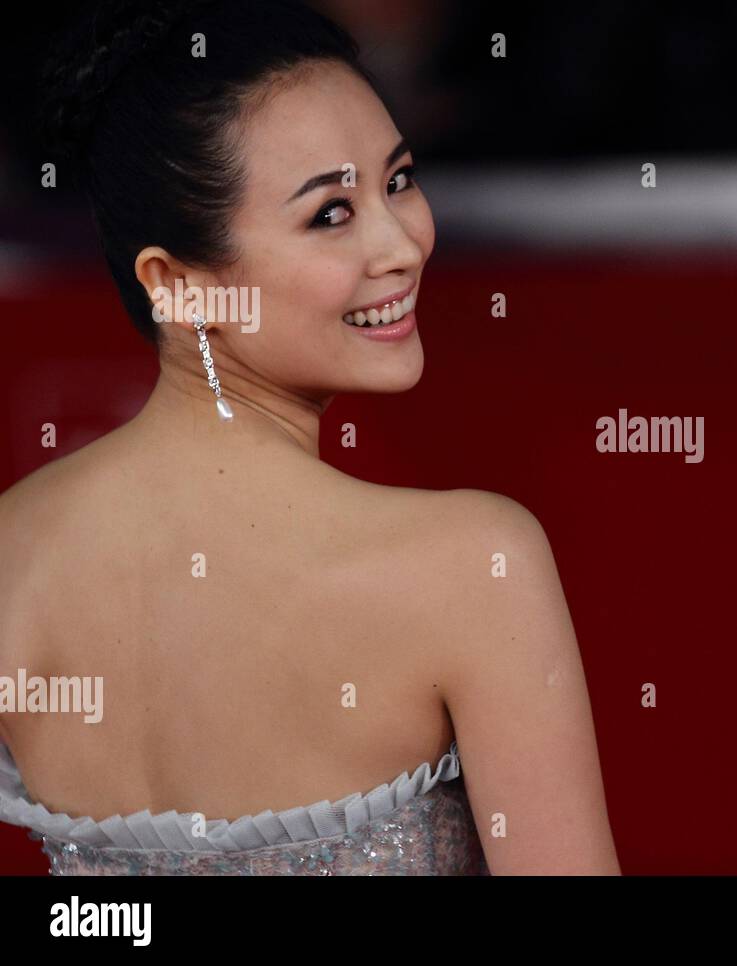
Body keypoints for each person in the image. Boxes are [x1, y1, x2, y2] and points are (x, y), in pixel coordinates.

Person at [0, 0, 620, 875]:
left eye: (398, 180)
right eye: (331, 214)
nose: (400, 243)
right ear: (176, 284)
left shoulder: (13, 555)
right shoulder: (476, 562)